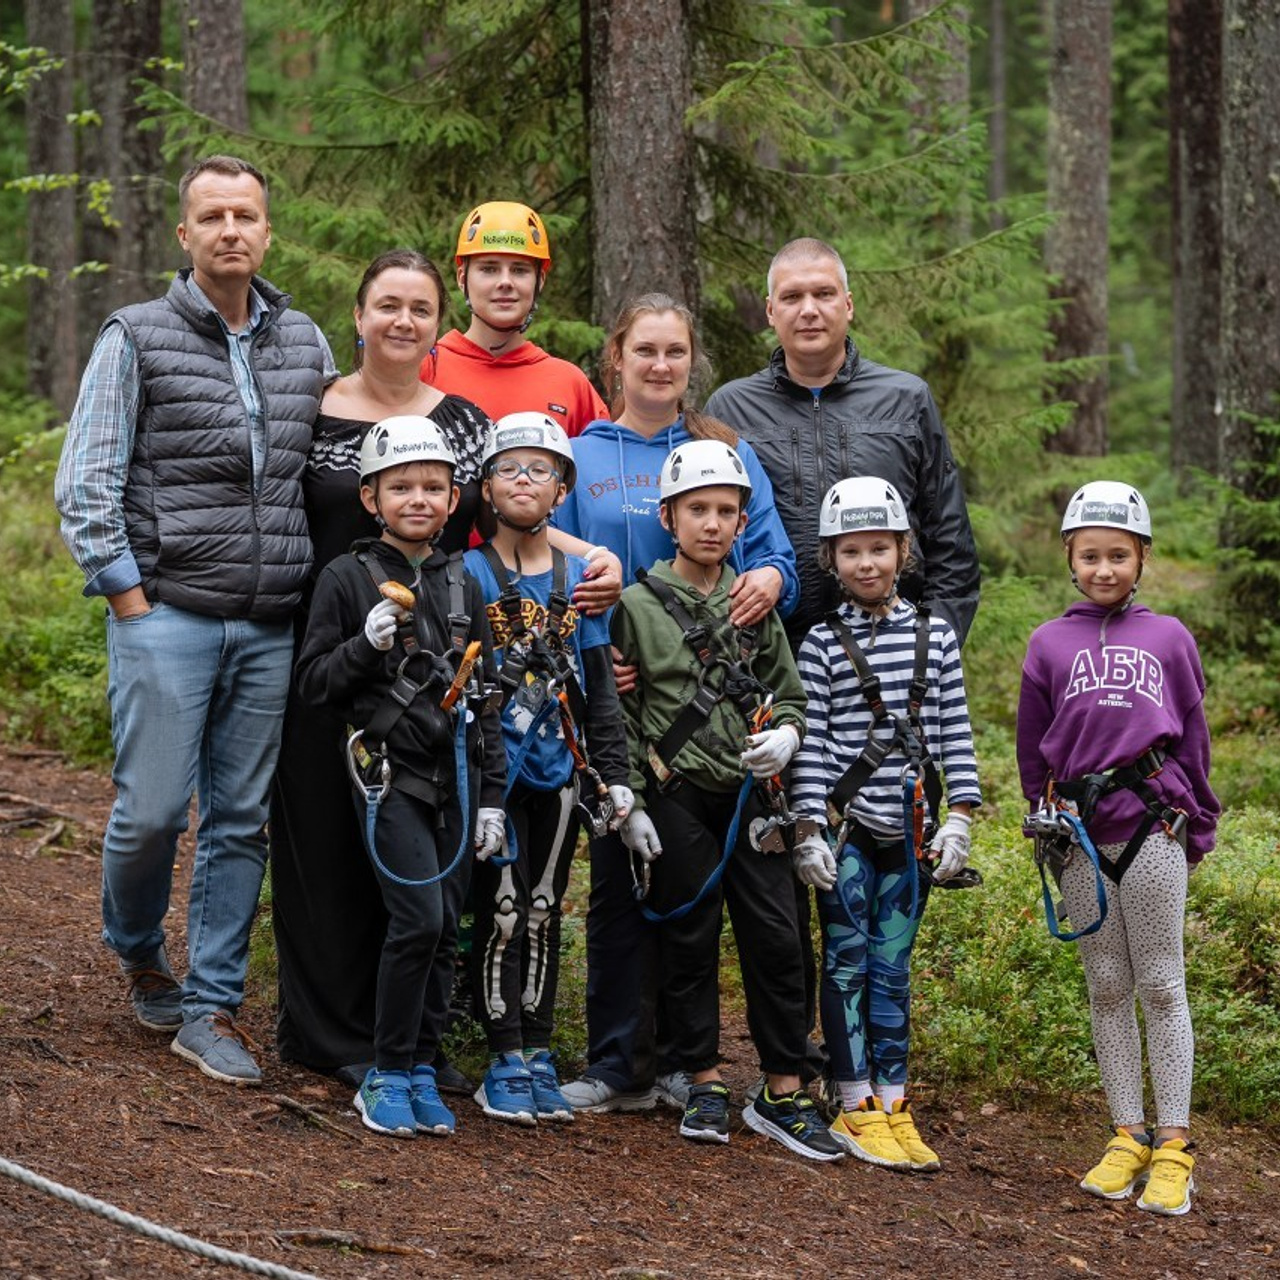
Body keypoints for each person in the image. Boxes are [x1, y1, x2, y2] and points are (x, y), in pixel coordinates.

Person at [53, 154, 328, 1085]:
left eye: (245, 214)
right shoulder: (135, 334)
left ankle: (210, 1006)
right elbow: (86, 479)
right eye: (211, 216)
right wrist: (129, 597)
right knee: (153, 812)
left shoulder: (307, 342)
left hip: (269, 624)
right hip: (166, 611)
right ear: (185, 234)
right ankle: (135, 947)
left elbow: (327, 476)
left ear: (266, 229)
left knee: (241, 818)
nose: (230, 231)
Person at [556, 294, 800, 1115]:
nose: (661, 365)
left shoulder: (723, 452)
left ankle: (681, 1062)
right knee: (623, 883)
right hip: (608, 683)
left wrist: (773, 576)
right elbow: (534, 538)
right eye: (645, 350)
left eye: (676, 351)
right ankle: (619, 1058)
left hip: (702, 699)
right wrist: (595, 632)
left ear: (692, 361)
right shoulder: (582, 454)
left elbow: (769, 553)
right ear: (614, 360)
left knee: (689, 889)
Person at [270, 249, 494, 1087]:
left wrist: (587, 560)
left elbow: (504, 518)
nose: (403, 321)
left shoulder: (466, 422)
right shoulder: (312, 409)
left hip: (432, 661)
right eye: (386, 305)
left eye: (421, 308)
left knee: (415, 840)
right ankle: (328, 1036)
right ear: (357, 316)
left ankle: (406, 1039)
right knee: (322, 843)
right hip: (328, 646)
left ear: (440, 323)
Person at [606, 439, 845, 1161]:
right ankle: (702, 1075)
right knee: (689, 937)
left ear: (743, 524)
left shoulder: (753, 607)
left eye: (726, 513)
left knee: (777, 938)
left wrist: (791, 738)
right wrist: (636, 802)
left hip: (753, 797)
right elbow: (621, 711)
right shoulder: (637, 608)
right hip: (677, 796)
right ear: (669, 517)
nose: (711, 524)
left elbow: (792, 692)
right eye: (697, 510)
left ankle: (782, 1087)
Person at [294, 415, 506, 1138]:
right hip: (386, 774)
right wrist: (363, 645)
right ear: (370, 498)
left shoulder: (463, 583)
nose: (418, 499)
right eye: (401, 487)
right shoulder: (346, 579)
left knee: (446, 926)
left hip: (456, 774)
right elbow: (314, 684)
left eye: (433, 488)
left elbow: (487, 695)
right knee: (416, 919)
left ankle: (421, 1061)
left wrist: (494, 800)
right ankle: (384, 1069)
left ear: (455, 502)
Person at [1017, 481, 1219, 1216]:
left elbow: (1193, 737)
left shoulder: (1169, 638)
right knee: (1106, 986)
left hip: (1153, 823)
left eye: (1119, 556)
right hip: (1076, 834)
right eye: (1091, 556)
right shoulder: (1049, 643)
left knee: (1162, 983)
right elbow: (1031, 747)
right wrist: (1038, 816)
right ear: (1070, 558)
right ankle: (1125, 1133)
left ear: (1142, 558)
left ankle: (1173, 1146)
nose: (1104, 569)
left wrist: (1200, 821)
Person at [789, 477, 981, 1171]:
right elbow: (811, 741)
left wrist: (960, 814)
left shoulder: (936, 636)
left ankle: (895, 1102)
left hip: (911, 829)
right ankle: (853, 1104)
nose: (866, 563)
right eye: (851, 552)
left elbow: (954, 731)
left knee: (891, 969)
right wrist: (807, 826)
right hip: (844, 833)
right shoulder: (818, 644)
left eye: (879, 548)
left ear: (904, 550)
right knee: (844, 964)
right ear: (831, 560)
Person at [462, 413, 633, 1125]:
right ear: (487, 485)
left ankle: (536, 1050)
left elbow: (598, 691)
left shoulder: (580, 583)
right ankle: (501, 1051)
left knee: (541, 907)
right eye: (510, 469)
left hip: (558, 777)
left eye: (540, 470)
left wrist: (615, 776)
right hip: (492, 777)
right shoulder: (468, 574)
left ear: (562, 487)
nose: (524, 482)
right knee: (500, 910)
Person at [704, 237, 979, 649]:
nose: (809, 309)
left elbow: (950, 537)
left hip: (894, 648)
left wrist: (932, 643)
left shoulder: (906, 399)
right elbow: (702, 536)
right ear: (770, 311)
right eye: (792, 296)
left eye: (824, 294)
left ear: (847, 305)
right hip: (773, 655)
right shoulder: (731, 408)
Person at [421, 201, 607, 435]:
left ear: (539, 281)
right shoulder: (425, 370)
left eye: (519, 270)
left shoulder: (570, 384)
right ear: (461, 278)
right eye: (489, 269)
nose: (505, 282)